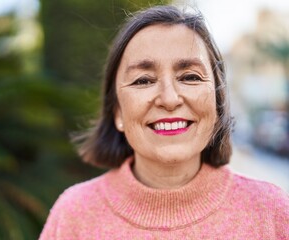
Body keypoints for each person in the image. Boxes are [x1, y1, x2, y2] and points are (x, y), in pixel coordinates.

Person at [39, 5, 289, 239]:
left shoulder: (271, 213)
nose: (169, 99)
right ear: (117, 112)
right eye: (143, 80)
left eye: (190, 77)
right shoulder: (73, 215)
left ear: (217, 102)